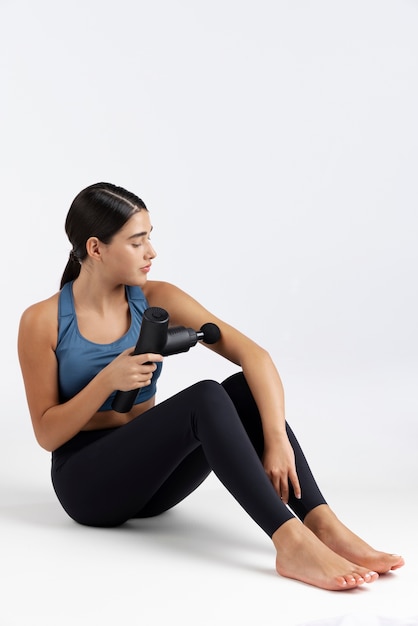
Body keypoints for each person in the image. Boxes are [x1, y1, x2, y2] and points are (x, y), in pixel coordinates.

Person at [17, 182, 404, 591]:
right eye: (136, 242)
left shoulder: (156, 299)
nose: (151, 252)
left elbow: (254, 356)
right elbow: (47, 434)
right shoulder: (43, 321)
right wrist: (107, 382)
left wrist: (275, 439)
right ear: (95, 248)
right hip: (88, 485)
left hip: (154, 484)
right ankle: (289, 541)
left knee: (239, 388)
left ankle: (322, 523)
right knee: (203, 396)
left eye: (150, 237)